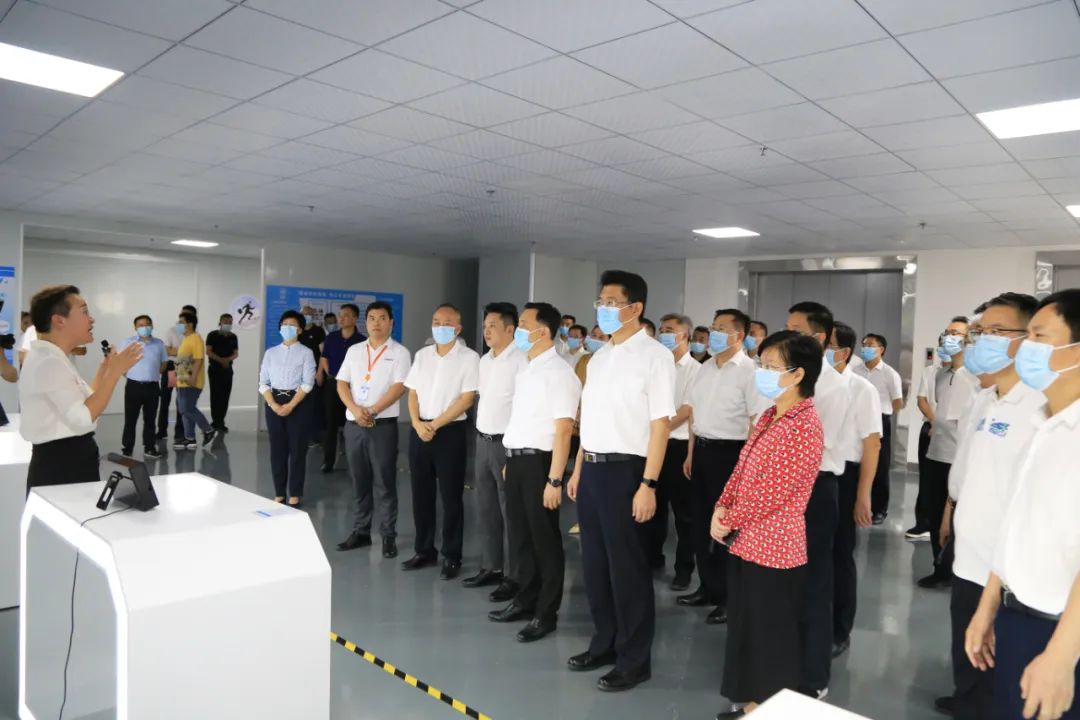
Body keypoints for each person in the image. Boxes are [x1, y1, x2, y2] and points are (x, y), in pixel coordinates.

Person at [965, 288, 1080, 720]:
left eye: (1039, 336)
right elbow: (1015, 523)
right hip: (1018, 617)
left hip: (1063, 633)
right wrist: (989, 606)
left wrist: (1062, 656)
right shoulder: (1043, 424)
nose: (1025, 348)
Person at [566, 270, 675, 692]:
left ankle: (634, 659)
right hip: (593, 469)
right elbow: (590, 421)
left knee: (627, 568)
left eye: (612, 302)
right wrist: (578, 469)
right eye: (601, 301)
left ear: (636, 308)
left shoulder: (655, 356)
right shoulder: (599, 357)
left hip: (628, 470)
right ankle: (605, 643)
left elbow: (660, 425)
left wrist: (649, 484)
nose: (603, 309)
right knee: (595, 566)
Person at [935, 293, 1043, 718]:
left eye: (996, 332)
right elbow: (966, 467)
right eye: (979, 333)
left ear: (1028, 339)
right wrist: (949, 511)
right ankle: (966, 699)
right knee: (965, 641)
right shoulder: (984, 397)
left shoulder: (1039, 406)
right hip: (969, 550)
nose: (981, 341)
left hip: (1005, 567)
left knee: (997, 658)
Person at [713, 331, 825, 720]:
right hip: (747, 540)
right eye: (761, 364)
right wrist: (721, 505)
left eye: (771, 366)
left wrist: (728, 520)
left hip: (775, 547)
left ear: (798, 374)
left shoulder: (804, 425)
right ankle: (751, 701)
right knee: (747, 625)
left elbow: (772, 492)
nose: (761, 372)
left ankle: (768, 708)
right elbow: (742, 467)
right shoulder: (771, 414)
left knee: (772, 633)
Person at [489, 302, 580, 643]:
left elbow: (563, 430)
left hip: (541, 463)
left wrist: (555, 479)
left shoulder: (560, 373)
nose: (519, 330)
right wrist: (509, 458)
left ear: (543, 331)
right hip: (518, 461)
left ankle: (546, 612)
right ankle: (525, 599)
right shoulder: (527, 369)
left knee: (544, 539)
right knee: (521, 536)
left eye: (524, 324)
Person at [680, 309, 765, 625]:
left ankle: (731, 598)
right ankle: (708, 587)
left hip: (731, 456)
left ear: (739, 335)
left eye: (721, 328)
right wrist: (690, 453)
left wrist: (746, 468)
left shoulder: (750, 372)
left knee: (729, 528)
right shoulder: (705, 368)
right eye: (713, 326)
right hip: (702, 452)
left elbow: (756, 422)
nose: (713, 333)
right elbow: (694, 413)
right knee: (701, 524)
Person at [786, 301, 852, 700]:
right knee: (786, 584)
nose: (788, 336)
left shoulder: (833, 386)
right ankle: (785, 662)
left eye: (796, 330)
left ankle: (813, 677)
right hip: (783, 488)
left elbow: (813, 444)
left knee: (813, 583)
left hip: (814, 488)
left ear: (820, 337)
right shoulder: (787, 376)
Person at [19, 285, 141, 492]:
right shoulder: (49, 363)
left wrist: (104, 370)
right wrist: (114, 373)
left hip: (65, 462)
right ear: (59, 320)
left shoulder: (53, 358)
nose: (92, 319)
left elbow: (86, 402)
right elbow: (84, 417)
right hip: (62, 468)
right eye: (84, 312)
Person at [403, 303, 479, 579]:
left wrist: (434, 425)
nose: (440, 327)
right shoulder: (422, 355)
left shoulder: (469, 358)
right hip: (420, 429)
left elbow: (466, 399)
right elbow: (412, 393)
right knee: (421, 494)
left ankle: (452, 555)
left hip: (449, 432)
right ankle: (424, 550)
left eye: (447, 323)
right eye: (436, 322)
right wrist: (416, 423)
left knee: (451, 497)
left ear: (458, 329)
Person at [336, 301, 410, 559]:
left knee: (385, 482)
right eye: (372, 318)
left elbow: (399, 387)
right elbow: (341, 383)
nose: (376, 323)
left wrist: (373, 410)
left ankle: (388, 535)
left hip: (382, 426)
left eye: (382, 318)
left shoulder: (400, 352)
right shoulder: (355, 350)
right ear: (365, 323)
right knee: (359, 481)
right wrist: (356, 410)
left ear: (391, 322)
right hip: (354, 424)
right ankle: (361, 531)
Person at [827, 322, 882, 660]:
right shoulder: (810, 384)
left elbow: (872, 444)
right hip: (813, 475)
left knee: (839, 555)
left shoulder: (862, 389)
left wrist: (864, 495)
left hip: (845, 477)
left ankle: (839, 629)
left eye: (827, 345)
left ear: (844, 352)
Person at [466, 302, 527, 594]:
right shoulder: (485, 360)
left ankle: (514, 576)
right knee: (487, 508)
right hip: (483, 441)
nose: (487, 331)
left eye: (493, 326)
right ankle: (491, 567)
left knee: (510, 512)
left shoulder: (522, 360)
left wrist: (512, 452)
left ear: (510, 329)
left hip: (506, 445)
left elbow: (523, 409)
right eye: (485, 326)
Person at [919, 316, 978, 589]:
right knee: (933, 513)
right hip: (936, 453)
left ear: (968, 340)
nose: (949, 337)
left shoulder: (973, 378)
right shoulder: (940, 375)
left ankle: (956, 570)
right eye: (948, 332)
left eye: (956, 333)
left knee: (955, 518)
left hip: (957, 457)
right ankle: (940, 567)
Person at [648, 314, 700, 585]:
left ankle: (683, 570)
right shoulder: (657, 364)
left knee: (684, 515)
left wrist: (661, 428)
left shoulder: (695, 369)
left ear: (684, 336)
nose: (664, 334)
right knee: (654, 508)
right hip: (654, 444)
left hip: (678, 446)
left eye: (669, 330)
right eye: (662, 329)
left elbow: (687, 409)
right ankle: (653, 559)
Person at [259, 310, 316, 508]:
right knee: (277, 450)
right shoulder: (271, 353)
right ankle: (279, 492)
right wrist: (274, 404)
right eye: (284, 325)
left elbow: (308, 383)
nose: (287, 328)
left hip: (298, 403)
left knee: (297, 450)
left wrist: (291, 405)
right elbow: (263, 383)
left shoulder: (306, 353)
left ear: (300, 330)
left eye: (292, 325)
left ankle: (295, 493)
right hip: (273, 401)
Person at [855, 333, 903, 525]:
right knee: (857, 462)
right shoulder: (855, 370)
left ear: (881, 349)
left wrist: (884, 415)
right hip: (857, 420)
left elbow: (898, 402)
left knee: (880, 466)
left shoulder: (890, 373)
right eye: (864, 344)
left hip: (880, 421)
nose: (865, 348)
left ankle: (880, 509)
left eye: (870, 345)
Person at [318, 304, 366, 472]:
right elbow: (324, 357)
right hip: (333, 385)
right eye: (340, 315)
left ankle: (355, 462)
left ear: (355, 318)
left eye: (346, 315)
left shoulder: (362, 341)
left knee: (353, 424)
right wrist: (330, 373)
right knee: (330, 424)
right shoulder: (331, 337)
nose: (341, 318)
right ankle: (328, 462)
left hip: (354, 388)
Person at [118, 315, 169, 459]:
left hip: (152, 387)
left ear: (152, 326)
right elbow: (119, 361)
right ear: (135, 327)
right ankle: (127, 448)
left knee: (150, 419)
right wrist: (128, 374)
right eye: (140, 325)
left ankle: (149, 448)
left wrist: (154, 373)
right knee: (130, 419)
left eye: (147, 324)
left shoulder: (159, 343)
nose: (144, 327)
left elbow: (164, 362)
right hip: (133, 386)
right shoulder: (128, 342)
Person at [174, 311, 215, 451]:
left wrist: (192, 378)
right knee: (185, 411)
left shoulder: (196, 338)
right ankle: (190, 438)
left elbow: (198, 359)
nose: (178, 324)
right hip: (182, 380)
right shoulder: (186, 339)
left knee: (186, 409)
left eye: (181, 322)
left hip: (191, 382)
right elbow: (184, 360)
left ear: (190, 324)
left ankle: (208, 430)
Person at [160, 304, 196, 442]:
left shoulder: (194, 334)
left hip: (185, 366)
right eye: (183, 315)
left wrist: (177, 350)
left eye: (189, 316)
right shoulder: (171, 331)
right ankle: (161, 430)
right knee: (165, 399)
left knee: (182, 401)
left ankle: (180, 432)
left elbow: (195, 353)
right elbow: (166, 350)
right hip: (171, 366)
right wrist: (183, 351)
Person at [205, 313, 239, 434]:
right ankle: (215, 422)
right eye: (225, 322)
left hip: (227, 369)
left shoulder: (233, 337)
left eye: (230, 322)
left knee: (225, 396)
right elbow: (208, 351)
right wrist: (221, 360)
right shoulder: (212, 335)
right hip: (215, 369)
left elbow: (236, 353)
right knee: (215, 396)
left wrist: (227, 360)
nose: (228, 324)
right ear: (220, 322)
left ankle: (221, 422)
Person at [300, 305, 327, 445]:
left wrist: (320, 372)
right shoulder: (297, 331)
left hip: (313, 373)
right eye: (304, 314)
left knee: (314, 405)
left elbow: (323, 353)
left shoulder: (318, 331)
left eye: (309, 314)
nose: (307, 317)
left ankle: (314, 437)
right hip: (298, 375)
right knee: (300, 405)